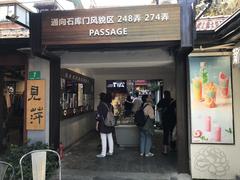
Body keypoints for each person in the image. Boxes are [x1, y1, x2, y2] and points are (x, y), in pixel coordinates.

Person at [157, 90, 176, 155]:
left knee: (166, 134)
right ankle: (173, 148)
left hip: (165, 119)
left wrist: (163, 109)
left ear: (164, 95)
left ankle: (165, 150)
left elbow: (158, 109)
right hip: (173, 119)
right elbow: (176, 110)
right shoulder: (173, 101)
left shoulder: (162, 101)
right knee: (172, 133)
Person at [96, 92, 114, 158]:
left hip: (103, 124)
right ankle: (111, 151)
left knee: (103, 138)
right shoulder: (111, 105)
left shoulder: (101, 105)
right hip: (110, 123)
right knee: (110, 136)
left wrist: (97, 124)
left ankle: (103, 153)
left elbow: (99, 116)